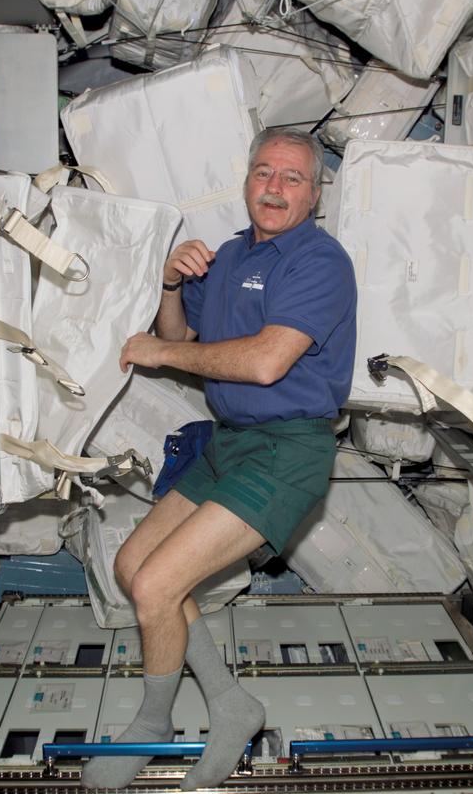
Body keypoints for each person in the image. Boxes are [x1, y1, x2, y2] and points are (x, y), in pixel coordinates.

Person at [80, 127, 356, 790]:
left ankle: (153, 722)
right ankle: (233, 702)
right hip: (229, 440)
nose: (274, 187)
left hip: (288, 450)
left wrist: (159, 352)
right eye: (264, 173)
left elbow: (263, 361)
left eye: (292, 178)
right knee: (131, 564)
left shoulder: (320, 261)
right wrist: (172, 283)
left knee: (156, 585)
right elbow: (181, 332)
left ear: (315, 194)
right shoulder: (230, 255)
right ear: (247, 182)